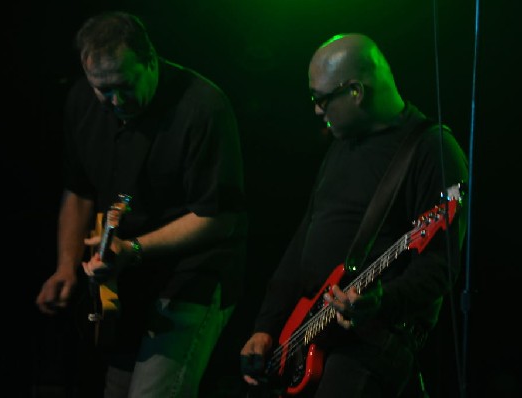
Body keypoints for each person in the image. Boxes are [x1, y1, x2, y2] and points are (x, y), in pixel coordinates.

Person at [240, 33, 468, 397]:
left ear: (356, 92)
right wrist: (266, 326)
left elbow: (442, 264)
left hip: (372, 340)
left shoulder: (434, 150)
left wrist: (382, 301)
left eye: (321, 99)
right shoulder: (341, 144)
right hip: (307, 330)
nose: (317, 110)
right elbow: (305, 237)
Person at [35, 10, 247, 398]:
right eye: (102, 89)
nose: (113, 100)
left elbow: (217, 218)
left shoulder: (204, 107)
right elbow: (78, 189)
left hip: (193, 272)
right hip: (127, 277)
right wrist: (66, 266)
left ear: (151, 61)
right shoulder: (82, 100)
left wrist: (133, 249)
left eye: (123, 85)